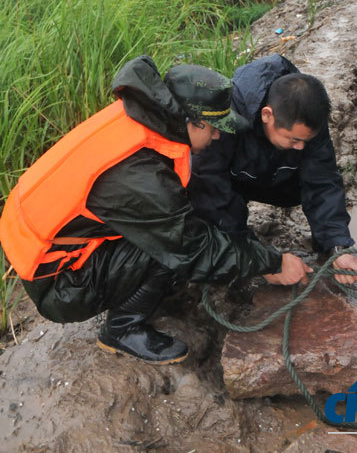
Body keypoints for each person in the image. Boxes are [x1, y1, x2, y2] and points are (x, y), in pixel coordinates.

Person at [0, 55, 312, 364]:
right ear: (192, 121)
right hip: (57, 283)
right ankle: (121, 330)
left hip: (48, 245)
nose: (218, 136)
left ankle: (133, 290)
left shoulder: (142, 118)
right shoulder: (138, 175)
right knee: (172, 248)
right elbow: (192, 248)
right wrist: (271, 262)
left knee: (181, 220)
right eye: (214, 128)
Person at [187, 54, 357, 285]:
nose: (301, 147)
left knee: (317, 184)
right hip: (232, 178)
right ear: (267, 115)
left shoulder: (307, 116)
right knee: (211, 210)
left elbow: (322, 181)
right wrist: (258, 262)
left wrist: (337, 247)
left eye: (305, 141)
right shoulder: (228, 115)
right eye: (293, 140)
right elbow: (210, 187)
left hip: (276, 177)